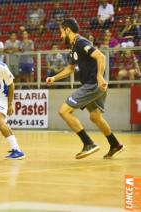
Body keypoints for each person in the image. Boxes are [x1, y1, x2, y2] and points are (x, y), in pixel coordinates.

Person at [46, 18, 125, 159]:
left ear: (67, 30)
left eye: (61, 32)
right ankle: (115, 144)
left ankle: (88, 143)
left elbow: (101, 56)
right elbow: (70, 69)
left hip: (93, 84)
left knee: (63, 111)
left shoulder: (81, 42)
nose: (60, 35)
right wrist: (54, 78)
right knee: (95, 117)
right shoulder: (73, 46)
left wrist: (100, 77)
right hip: (93, 85)